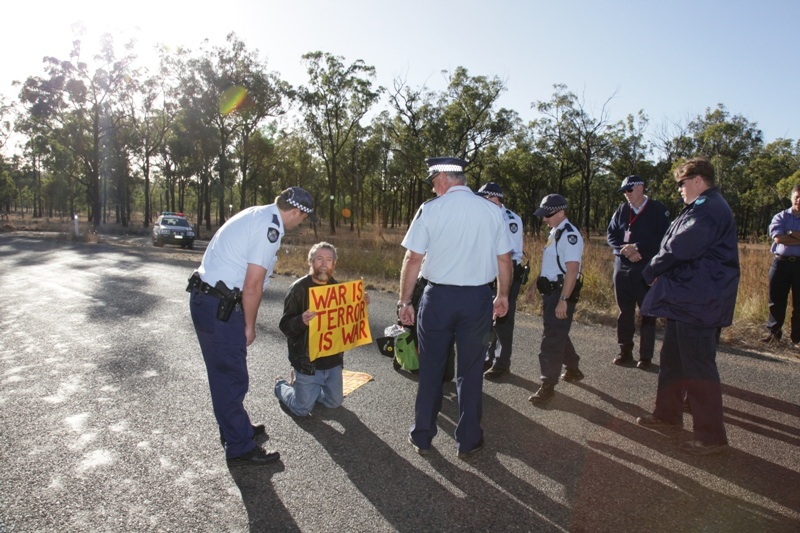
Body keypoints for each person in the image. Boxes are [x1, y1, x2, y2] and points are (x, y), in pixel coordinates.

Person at [188, 187, 317, 467]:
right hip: (219, 308)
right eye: (304, 218)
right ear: (296, 212)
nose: (301, 223)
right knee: (231, 377)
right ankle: (239, 446)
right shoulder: (269, 228)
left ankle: (237, 430)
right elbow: (252, 286)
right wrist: (249, 325)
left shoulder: (259, 214)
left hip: (209, 301)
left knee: (225, 375)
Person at [398, 156, 513, 460]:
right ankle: (469, 440)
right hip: (477, 300)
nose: (433, 188)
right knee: (471, 372)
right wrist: (503, 295)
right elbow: (504, 259)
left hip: (438, 300)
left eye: (434, 181)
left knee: (432, 370)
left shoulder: (431, 210)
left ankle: (423, 435)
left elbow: (412, 259)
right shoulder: (493, 211)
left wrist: (405, 301)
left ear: (444, 179)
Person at [636, 157, 739, 456]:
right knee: (673, 360)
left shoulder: (708, 209)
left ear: (697, 180)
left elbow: (681, 246)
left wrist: (651, 270)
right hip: (687, 297)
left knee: (697, 366)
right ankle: (667, 415)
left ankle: (711, 436)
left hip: (699, 300)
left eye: (682, 183)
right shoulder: (701, 207)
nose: (679, 189)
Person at [275, 242, 369, 415]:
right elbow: (285, 327)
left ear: (334, 264)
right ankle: (281, 386)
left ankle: (309, 390)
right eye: (319, 259)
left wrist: (359, 305)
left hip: (333, 362)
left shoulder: (339, 290)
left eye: (328, 260)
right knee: (302, 409)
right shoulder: (298, 290)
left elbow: (346, 322)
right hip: (308, 362)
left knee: (335, 402)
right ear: (310, 262)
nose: (324, 264)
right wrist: (301, 320)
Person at [606, 175, 670, 369]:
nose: (626, 195)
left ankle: (646, 356)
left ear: (640, 188)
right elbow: (611, 234)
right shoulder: (621, 210)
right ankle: (625, 351)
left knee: (647, 312)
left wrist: (638, 247)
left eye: (629, 190)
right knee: (624, 311)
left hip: (646, 267)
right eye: (624, 191)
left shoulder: (658, 210)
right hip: (623, 267)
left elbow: (664, 237)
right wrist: (624, 250)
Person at [528, 194, 585, 404]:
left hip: (562, 292)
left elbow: (572, 270)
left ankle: (547, 385)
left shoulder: (570, 235)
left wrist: (563, 300)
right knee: (557, 331)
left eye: (548, 215)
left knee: (551, 338)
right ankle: (573, 368)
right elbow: (551, 264)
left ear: (561, 212)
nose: (544, 219)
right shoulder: (556, 232)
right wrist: (535, 284)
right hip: (551, 291)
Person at [476, 182, 526, 379]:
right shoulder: (487, 216)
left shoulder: (510, 219)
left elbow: (506, 254)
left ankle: (502, 363)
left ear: (493, 199)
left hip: (506, 274)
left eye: (483, 200)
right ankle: (490, 357)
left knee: (503, 320)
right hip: (489, 273)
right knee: (489, 319)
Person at [762, 184, 800, 345]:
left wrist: (789, 232)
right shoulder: (781, 217)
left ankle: (797, 338)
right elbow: (778, 238)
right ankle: (774, 334)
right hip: (781, 263)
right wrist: (794, 235)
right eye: (797, 197)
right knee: (776, 300)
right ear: (791, 197)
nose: (799, 200)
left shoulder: (785, 222)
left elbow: (784, 235)